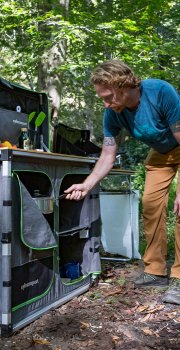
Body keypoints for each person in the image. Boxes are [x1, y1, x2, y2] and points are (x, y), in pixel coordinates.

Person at [64, 59, 180, 305]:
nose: (105, 103)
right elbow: (107, 155)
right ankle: (156, 271)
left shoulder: (160, 92)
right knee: (150, 206)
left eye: (108, 97)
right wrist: (87, 184)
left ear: (124, 85)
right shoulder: (113, 114)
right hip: (160, 155)